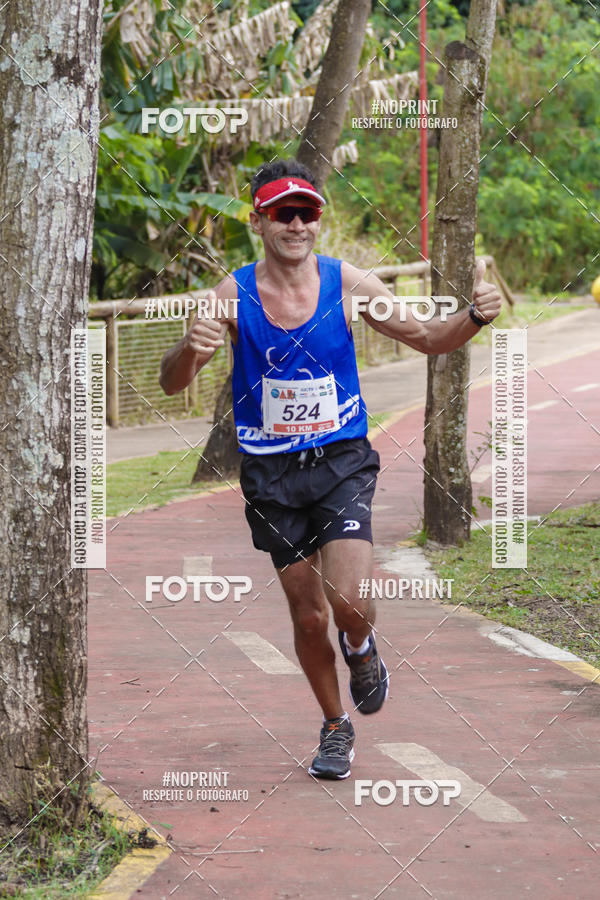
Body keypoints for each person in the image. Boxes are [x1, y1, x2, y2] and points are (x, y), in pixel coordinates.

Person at [159, 158, 501, 780]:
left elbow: (428, 338)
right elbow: (171, 380)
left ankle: (362, 646)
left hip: (340, 459)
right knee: (308, 613)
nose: (296, 224)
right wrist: (190, 347)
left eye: (306, 212)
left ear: (318, 220)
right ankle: (335, 725)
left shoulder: (350, 284)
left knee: (349, 599)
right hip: (270, 472)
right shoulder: (229, 296)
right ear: (259, 220)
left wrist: (475, 318)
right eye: (282, 213)